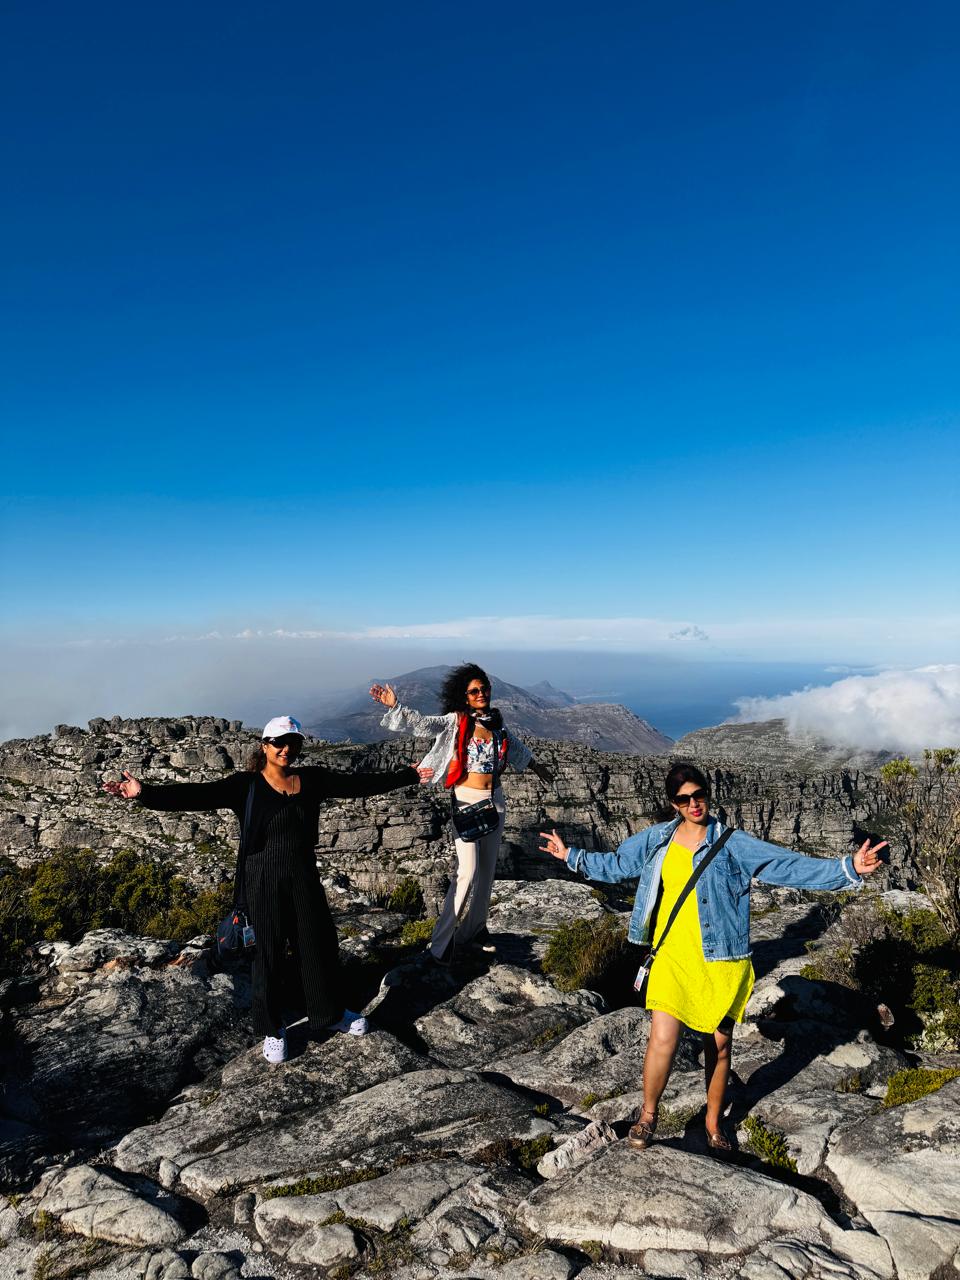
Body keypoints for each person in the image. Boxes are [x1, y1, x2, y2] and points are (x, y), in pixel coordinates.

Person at [538, 761, 886, 1152]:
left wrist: (848, 868)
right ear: (674, 804)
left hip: (722, 960)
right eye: (684, 799)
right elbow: (618, 864)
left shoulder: (732, 843)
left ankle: (713, 1123)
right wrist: (571, 855)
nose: (694, 804)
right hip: (672, 955)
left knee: (718, 1047)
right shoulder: (657, 839)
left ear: (708, 793)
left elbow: (785, 865)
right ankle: (648, 1116)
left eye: (699, 795)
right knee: (663, 1039)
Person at [104, 715, 424, 1064]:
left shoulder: (312, 779)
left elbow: (357, 785)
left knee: (316, 943)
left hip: (303, 875)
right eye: (279, 743)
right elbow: (197, 794)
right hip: (262, 878)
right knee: (267, 952)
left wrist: (407, 776)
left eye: (293, 743)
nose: (287, 749)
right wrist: (144, 793)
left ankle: (329, 1014)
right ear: (265, 746)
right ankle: (273, 1029)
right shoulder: (247, 786)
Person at [370, 665, 553, 963]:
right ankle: (440, 945)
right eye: (474, 691)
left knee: (487, 872)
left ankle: (474, 930)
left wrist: (536, 766)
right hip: (466, 800)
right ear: (464, 696)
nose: (481, 694)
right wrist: (396, 706)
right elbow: (424, 724)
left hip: (495, 801)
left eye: (484, 689)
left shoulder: (496, 723)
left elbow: (514, 746)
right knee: (467, 872)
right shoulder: (456, 721)